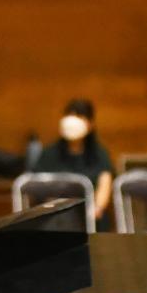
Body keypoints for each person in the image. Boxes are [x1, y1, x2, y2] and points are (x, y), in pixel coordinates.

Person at [37, 98, 115, 230]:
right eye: (70, 116)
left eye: (80, 116)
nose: (73, 122)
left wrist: (97, 208)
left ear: (90, 124)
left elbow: (105, 183)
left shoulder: (99, 154)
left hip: (90, 218)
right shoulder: (49, 153)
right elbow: (37, 187)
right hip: (56, 220)